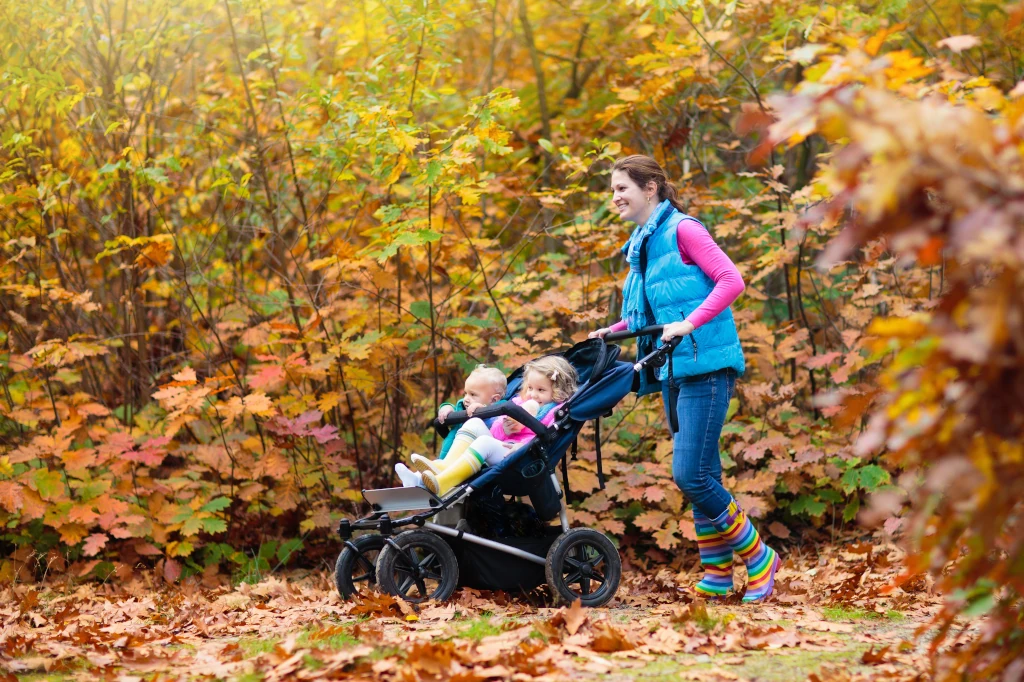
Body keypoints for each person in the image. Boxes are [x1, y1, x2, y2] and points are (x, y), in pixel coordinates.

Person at [589, 154, 780, 603]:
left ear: (650, 188)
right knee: (704, 472)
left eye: (622, 188)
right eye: (613, 189)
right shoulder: (643, 241)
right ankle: (716, 573)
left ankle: (759, 556)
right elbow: (652, 314)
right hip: (673, 368)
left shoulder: (684, 230)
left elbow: (731, 281)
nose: (614, 197)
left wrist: (690, 324)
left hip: (706, 367)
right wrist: (613, 331)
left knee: (690, 474)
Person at [396, 356, 578, 496]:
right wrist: (505, 427)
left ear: (558, 391)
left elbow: (546, 438)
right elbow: (495, 430)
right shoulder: (517, 402)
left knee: (484, 442)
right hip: (499, 446)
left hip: (520, 456)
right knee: (474, 422)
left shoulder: (555, 411)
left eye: (541, 390)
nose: (532, 395)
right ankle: (428, 474)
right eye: (530, 388)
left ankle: (443, 484)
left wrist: (521, 446)